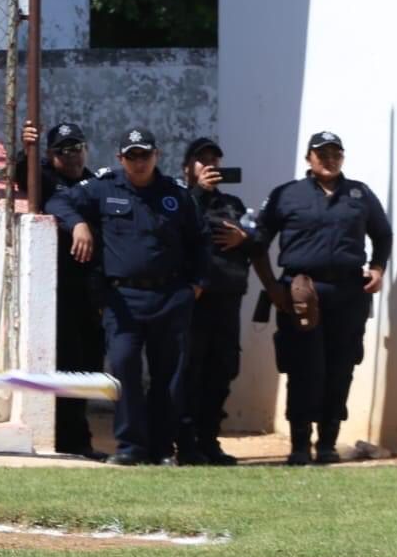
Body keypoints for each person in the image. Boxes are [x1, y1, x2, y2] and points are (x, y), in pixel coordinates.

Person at [46, 128, 209, 466]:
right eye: (131, 155)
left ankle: (162, 449)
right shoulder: (104, 188)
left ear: (156, 156)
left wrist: (196, 284)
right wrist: (78, 224)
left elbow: (200, 240)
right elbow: (57, 202)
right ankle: (131, 446)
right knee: (124, 371)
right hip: (123, 300)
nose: (139, 162)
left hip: (170, 296)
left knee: (168, 375)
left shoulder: (176, 194)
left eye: (144, 154)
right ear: (120, 158)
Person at [250, 131, 392, 466]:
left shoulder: (359, 193)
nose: (329, 160)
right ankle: (300, 444)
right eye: (322, 154)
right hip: (301, 293)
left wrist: (377, 268)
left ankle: (327, 443)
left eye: (335, 154)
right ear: (308, 158)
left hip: (348, 294)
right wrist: (271, 286)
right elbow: (258, 242)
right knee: (302, 368)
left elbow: (383, 234)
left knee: (341, 368)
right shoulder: (287, 194)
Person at [13, 120, 104, 460]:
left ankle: (80, 436)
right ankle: (71, 440)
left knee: (90, 366)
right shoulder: (46, 179)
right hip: (60, 292)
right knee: (68, 365)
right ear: (50, 155)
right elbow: (25, 177)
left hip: (92, 291)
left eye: (76, 148)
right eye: (63, 151)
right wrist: (27, 150)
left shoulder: (95, 183)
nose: (72, 156)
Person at [176, 137, 251, 466]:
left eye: (214, 159)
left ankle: (209, 440)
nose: (209, 164)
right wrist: (198, 193)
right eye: (201, 159)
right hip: (194, 301)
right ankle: (186, 443)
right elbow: (175, 231)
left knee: (222, 371)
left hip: (227, 299)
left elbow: (256, 240)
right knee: (190, 371)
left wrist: (244, 238)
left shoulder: (233, 203)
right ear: (187, 168)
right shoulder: (179, 199)